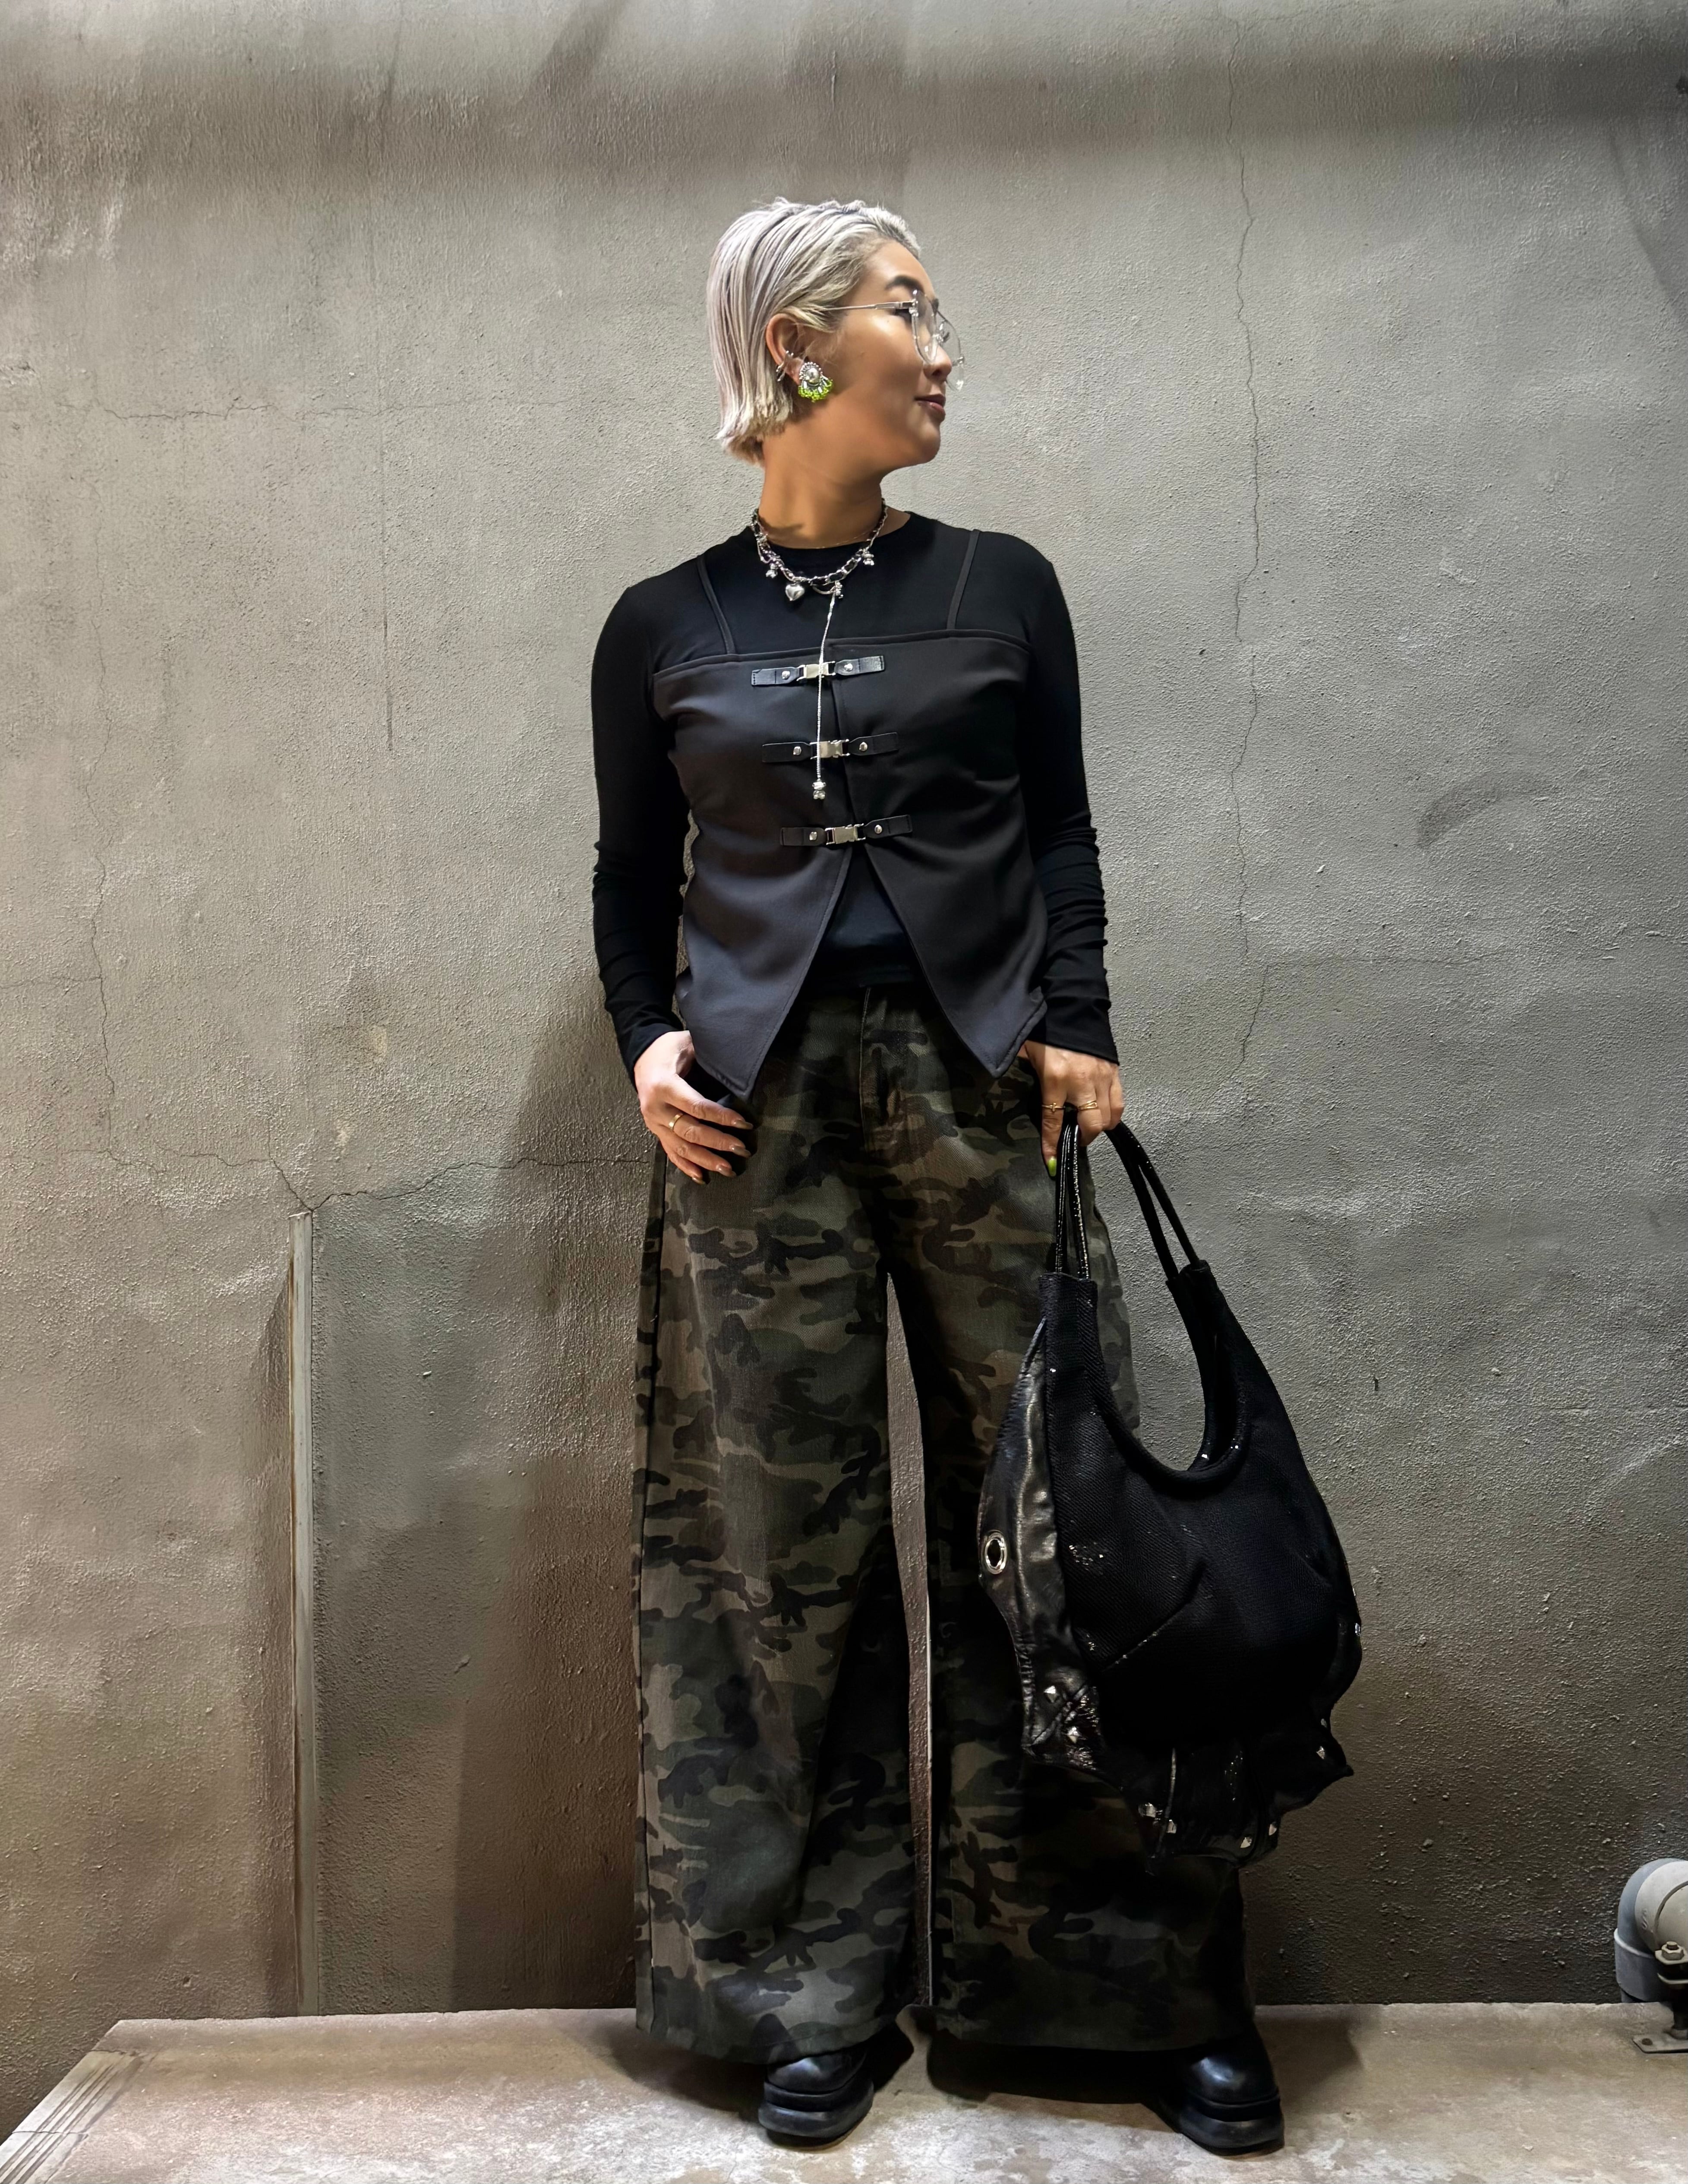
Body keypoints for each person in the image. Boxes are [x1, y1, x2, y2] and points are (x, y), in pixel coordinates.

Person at [589, 195, 1283, 2157]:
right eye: (912, 309)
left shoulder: (1001, 585)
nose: (945, 346)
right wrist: (646, 1038)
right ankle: (803, 1990)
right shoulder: (662, 624)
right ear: (798, 344)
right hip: (753, 1123)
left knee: (1063, 1525)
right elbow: (629, 876)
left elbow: (1062, 827)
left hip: (991, 1092)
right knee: (771, 1551)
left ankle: (1116, 1983)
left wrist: (1081, 1011)